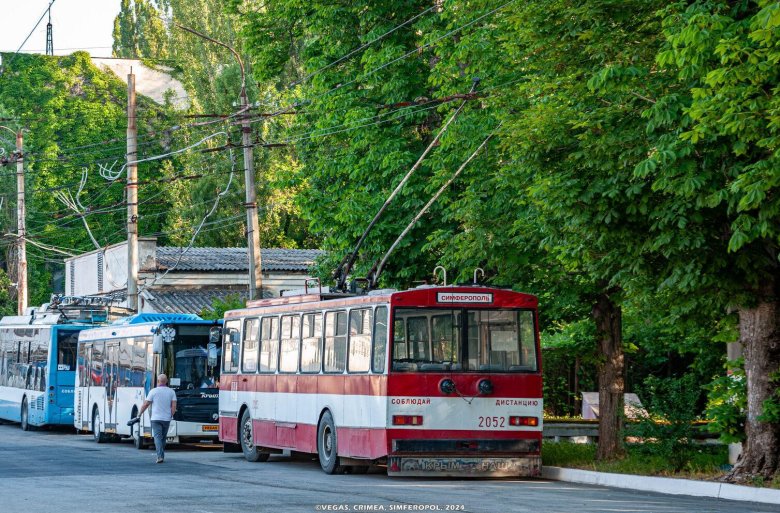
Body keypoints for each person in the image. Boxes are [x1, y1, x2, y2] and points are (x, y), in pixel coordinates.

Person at [137, 373, 177, 463]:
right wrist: (171, 415)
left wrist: (139, 414)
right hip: (166, 419)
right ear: (166, 381)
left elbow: (146, 404)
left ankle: (160, 456)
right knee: (163, 438)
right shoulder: (171, 392)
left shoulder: (153, 391)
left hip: (155, 418)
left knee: (157, 437)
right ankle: (161, 455)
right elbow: (173, 406)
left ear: (158, 381)